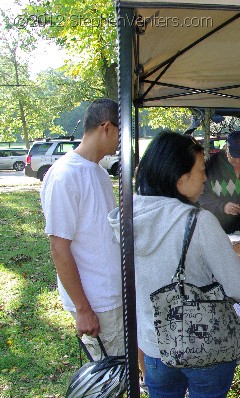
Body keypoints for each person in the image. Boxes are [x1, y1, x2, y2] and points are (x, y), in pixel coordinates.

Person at [108, 131, 240, 398]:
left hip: (153, 346)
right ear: (180, 178)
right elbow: (239, 289)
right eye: (200, 171)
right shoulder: (199, 221)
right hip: (205, 345)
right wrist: (235, 264)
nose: (206, 178)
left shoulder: (127, 216)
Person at [40, 99, 123, 360]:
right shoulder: (64, 175)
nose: (121, 140)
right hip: (96, 302)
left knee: (120, 372)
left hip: (112, 294)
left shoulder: (97, 172)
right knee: (108, 378)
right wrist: (82, 308)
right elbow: (58, 248)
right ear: (106, 127)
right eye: (120, 132)